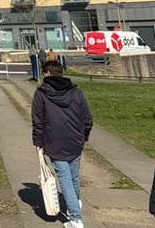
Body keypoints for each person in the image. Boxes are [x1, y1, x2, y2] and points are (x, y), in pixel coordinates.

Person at [32, 59, 93, 228]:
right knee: (72, 178)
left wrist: (38, 141)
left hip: (54, 141)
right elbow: (87, 118)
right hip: (75, 140)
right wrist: (84, 135)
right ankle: (75, 204)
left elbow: (38, 120)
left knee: (65, 179)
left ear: (47, 74)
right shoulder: (76, 92)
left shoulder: (41, 93)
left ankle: (75, 217)